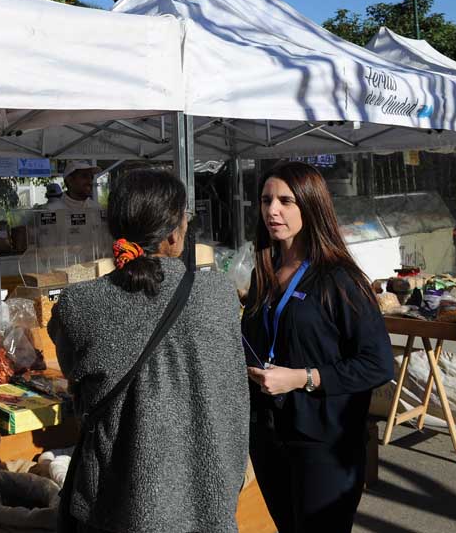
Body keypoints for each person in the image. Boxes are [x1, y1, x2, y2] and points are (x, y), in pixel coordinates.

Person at [48, 169, 248, 533]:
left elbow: (76, 378)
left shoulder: (79, 305)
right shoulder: (219, 295)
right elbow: (235, 398)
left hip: (117, 506)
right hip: (209, 500)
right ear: (174, 232)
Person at [241, 162, 393, 533]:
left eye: (285, 201)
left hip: (324, 443)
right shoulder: (264, 274)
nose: (272, 210)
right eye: (266, 200)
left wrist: (303, 378)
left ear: (310, 205)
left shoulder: (341, 280)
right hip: (271, 436)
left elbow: (378, 364)